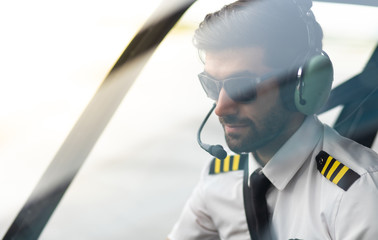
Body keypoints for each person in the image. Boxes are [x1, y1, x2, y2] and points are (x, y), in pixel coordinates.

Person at [168, 0, 378, 239]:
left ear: (301, 84)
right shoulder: (220, 178)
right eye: (212, 85)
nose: (221, 107)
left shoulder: (358, 193)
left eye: (243, 86)